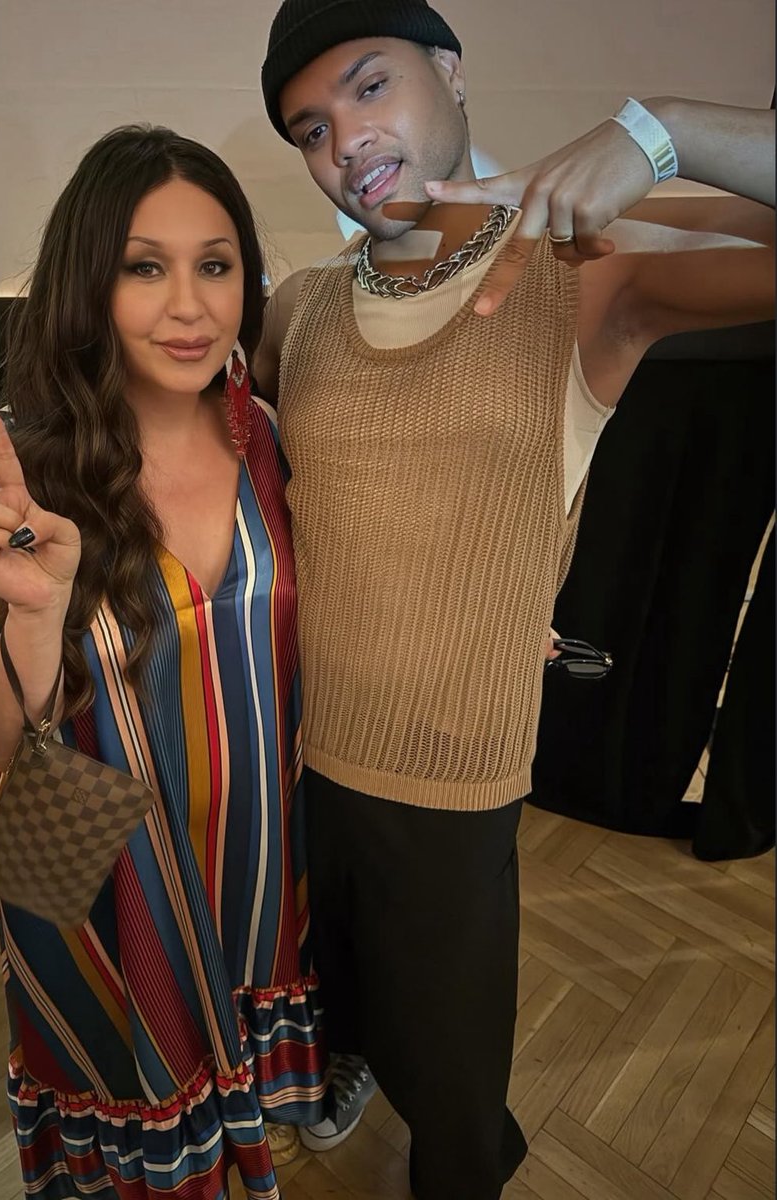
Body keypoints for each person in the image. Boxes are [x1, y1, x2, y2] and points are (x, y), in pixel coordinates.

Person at [253, 1, 775, 1196]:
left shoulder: (581, 271)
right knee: (349, 994)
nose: (345, 142)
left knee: (457, 1115)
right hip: (304, 752)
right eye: (311, 128)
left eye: (370, 87)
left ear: (448, 68)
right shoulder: (303, 309)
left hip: (451, 777)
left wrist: (660, 134)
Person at [0, 123, 373, 1200]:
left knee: (236, 1060)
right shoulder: (10, 465)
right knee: (124, 1098)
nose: (189, 304)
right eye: (144, 267)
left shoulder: (262, 430)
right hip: (80, 837)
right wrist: (34, 623)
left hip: (249, 833)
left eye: (214, 264)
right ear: (90, 281)